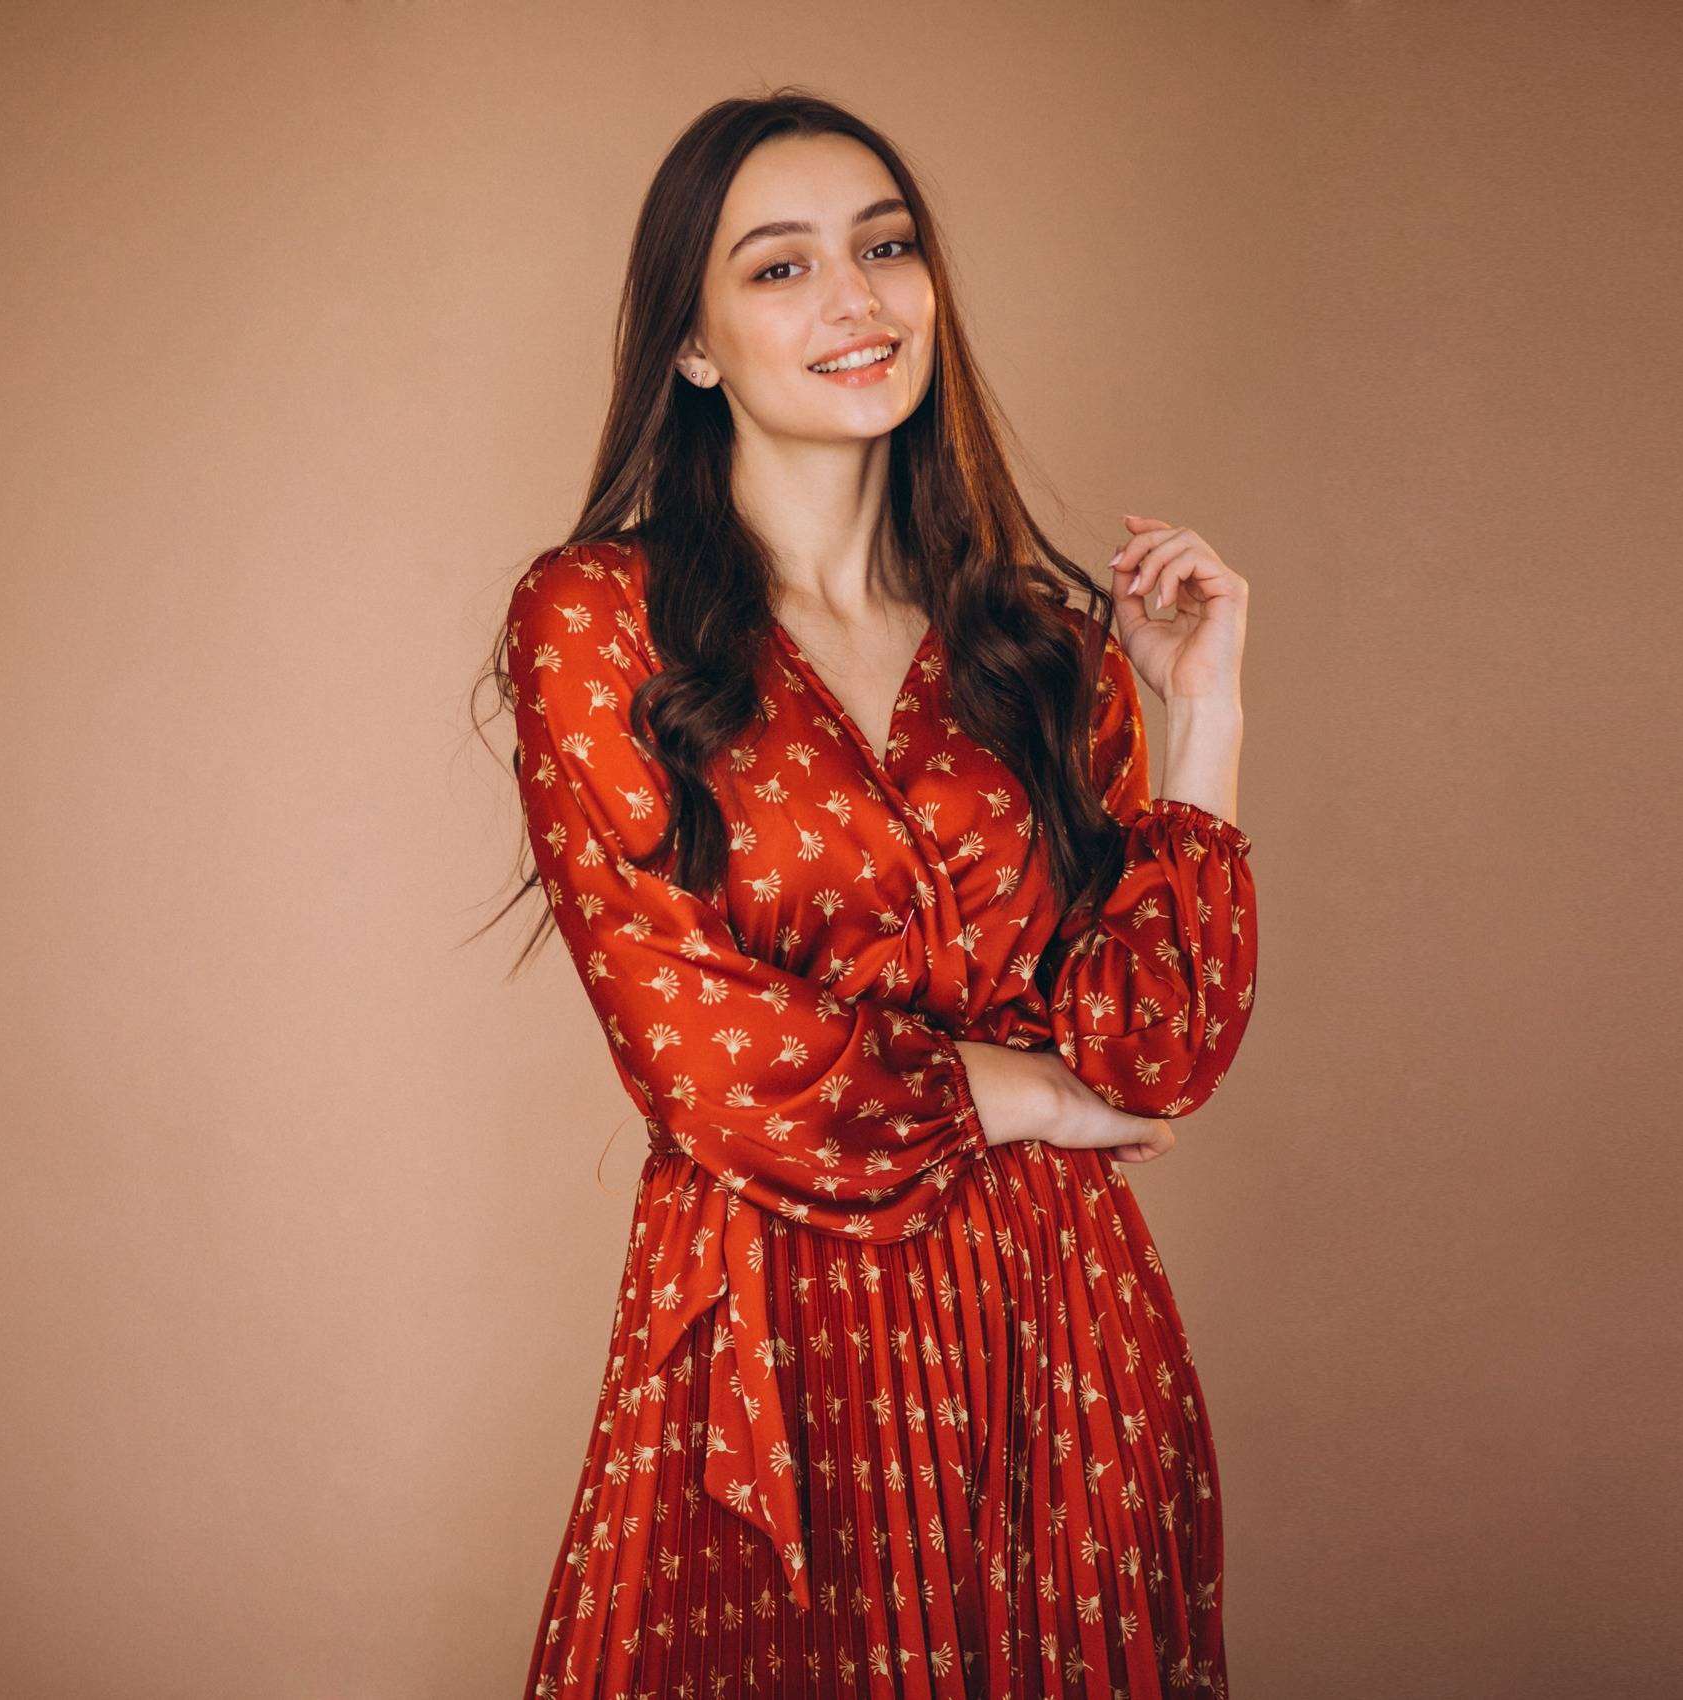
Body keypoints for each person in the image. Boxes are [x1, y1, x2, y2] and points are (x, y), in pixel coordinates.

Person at [489, 89, 1256, 1699]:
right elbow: (704, 1059)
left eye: (886, 247)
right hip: (779, 1331)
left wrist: (1203, 715)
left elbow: (1159, 1050)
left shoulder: (1041, 647)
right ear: (691, 345)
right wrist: (1026, 1099)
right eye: (779, 269)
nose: (855, 298)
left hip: (1061, 1339)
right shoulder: (598, 622)